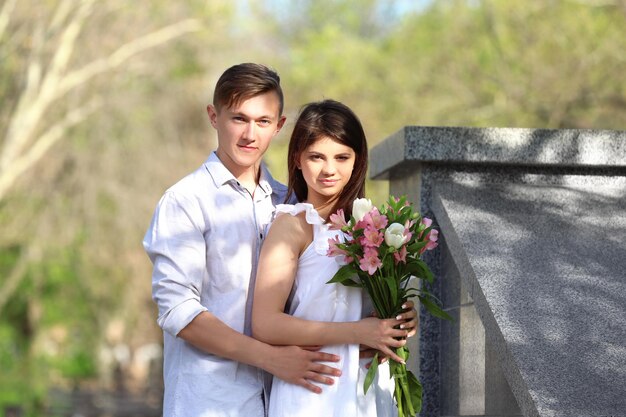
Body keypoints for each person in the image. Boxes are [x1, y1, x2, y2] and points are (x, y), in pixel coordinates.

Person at [143, 63, 344, 417]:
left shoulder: (292, 204)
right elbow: (178, 311)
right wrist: (272, 359)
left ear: (279, 126)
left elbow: (317, 294)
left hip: (290, 400)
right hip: (210, 403)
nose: (250, 134)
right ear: (213, 116)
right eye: (239, 118)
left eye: (263, 121)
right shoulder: (186, 200)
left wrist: (387, 317)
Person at [252, 99, 416, 417]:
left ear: (358, 160)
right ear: (298, 159)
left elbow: (375, 314)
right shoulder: (292, 225)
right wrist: (358, 332)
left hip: (369, 391)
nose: (329, 169)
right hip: (311, 391)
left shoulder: (375, 227)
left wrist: (401, 319)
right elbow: (265, 324)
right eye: (316, 156)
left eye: (342, 157)